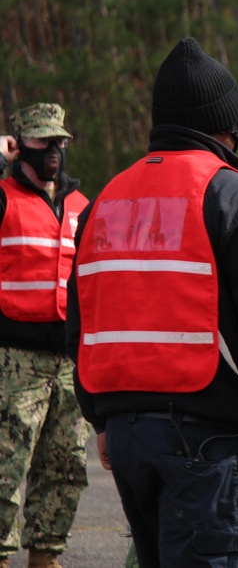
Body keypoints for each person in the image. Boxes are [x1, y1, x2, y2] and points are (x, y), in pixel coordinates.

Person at [65, 37, 238, 568]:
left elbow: (83, 323)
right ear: (226, 125)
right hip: (206, 442)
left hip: (128, 437)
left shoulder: (104, 201)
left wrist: (101, 419)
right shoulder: (232, 196)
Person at [0, 103, 90, 568]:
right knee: (5, 462)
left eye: (60, 140)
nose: (53, 149)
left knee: (65, 464)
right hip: (14, 359)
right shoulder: (4, 196)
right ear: (20, 145)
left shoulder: (81, 206)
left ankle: (45, 554)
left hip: (70, 362)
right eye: (42, 140)